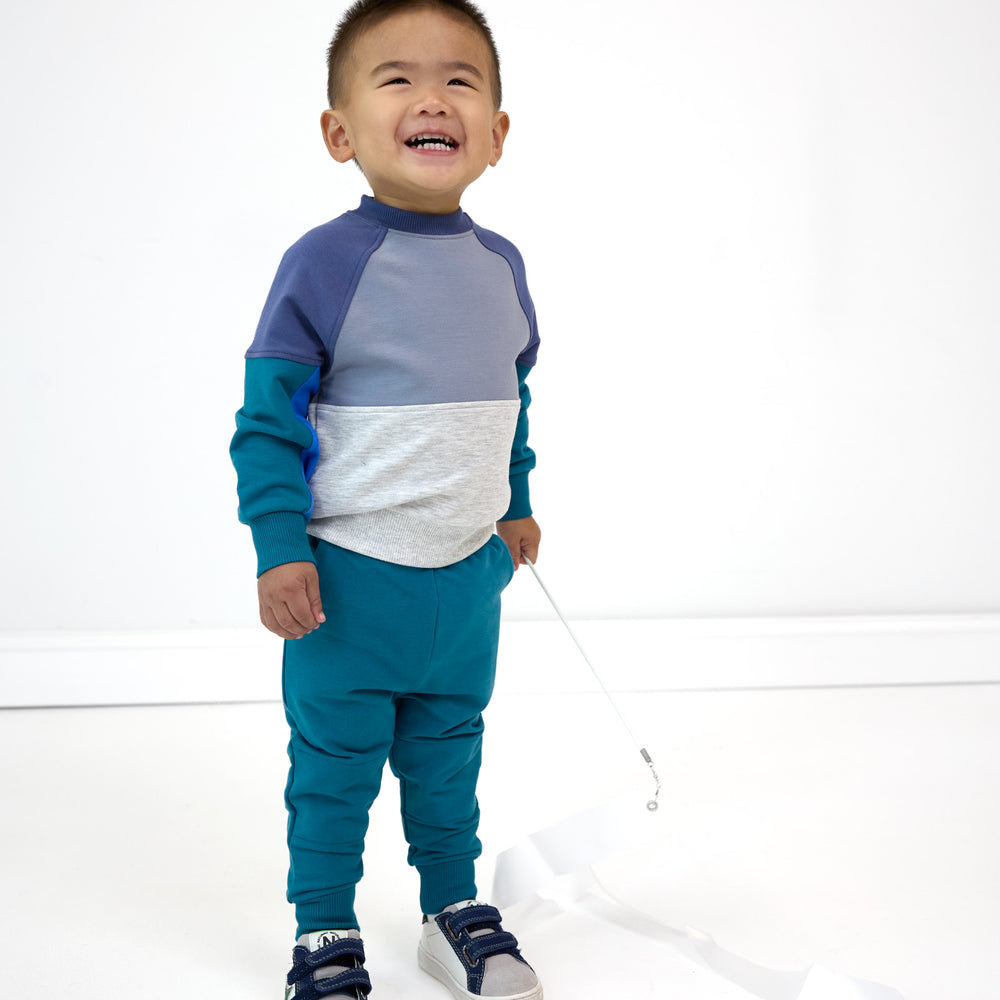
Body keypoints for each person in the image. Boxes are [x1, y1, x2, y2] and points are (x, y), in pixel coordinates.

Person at [230, 2, 543, 997]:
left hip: (466, 583)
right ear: (340, 132)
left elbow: (509, 400)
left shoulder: (501, 267)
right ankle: (323, 930)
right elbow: (268, 419)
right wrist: (280, 545)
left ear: (494, 134)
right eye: (396, 78)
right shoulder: (323, 264)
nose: (431, 97)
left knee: (448, 759)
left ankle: (450, 908)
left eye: (460, 79)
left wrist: (516, 502)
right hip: (347, 590)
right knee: (333, 771)